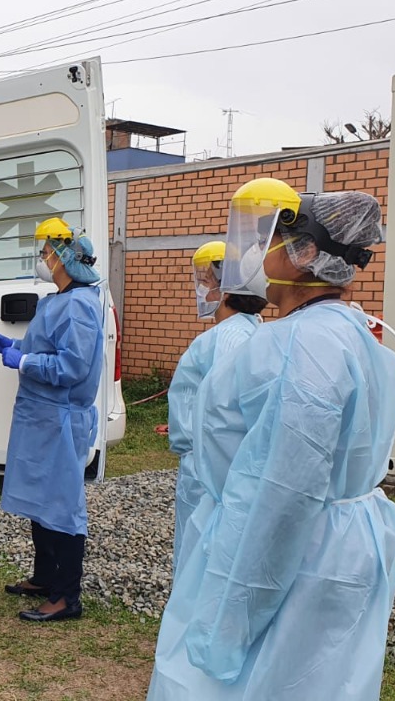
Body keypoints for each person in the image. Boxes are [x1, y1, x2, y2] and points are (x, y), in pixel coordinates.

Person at [147, 180, 395, 700]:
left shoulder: (302, 346)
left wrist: (228, 618)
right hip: (331, 542)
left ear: (306, 253)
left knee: (251, 679)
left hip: (295, 548)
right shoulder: (349, 333)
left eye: (270, 238)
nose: (255, 250)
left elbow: (281, 489)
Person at [0, 217, 105, 623]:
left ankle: (67, 596)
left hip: (59, 420)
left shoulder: (80, 306)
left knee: (61, 508)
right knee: (41, 503)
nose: (42, 258)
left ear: (66, 257)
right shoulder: (58, 300)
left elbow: (71, 366)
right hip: (41, 418)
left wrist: (25, 360)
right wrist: (15, 345)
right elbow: (47, 346)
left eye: (46, 252)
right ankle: (44, 577)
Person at [168, 240, 264, 578]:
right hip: (215, 459)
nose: (200, 287)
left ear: (225, 287)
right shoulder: (251, 330)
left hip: (209, 465)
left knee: (200, 551)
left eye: (204, 279)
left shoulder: (226, 339)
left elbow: (224, 409)